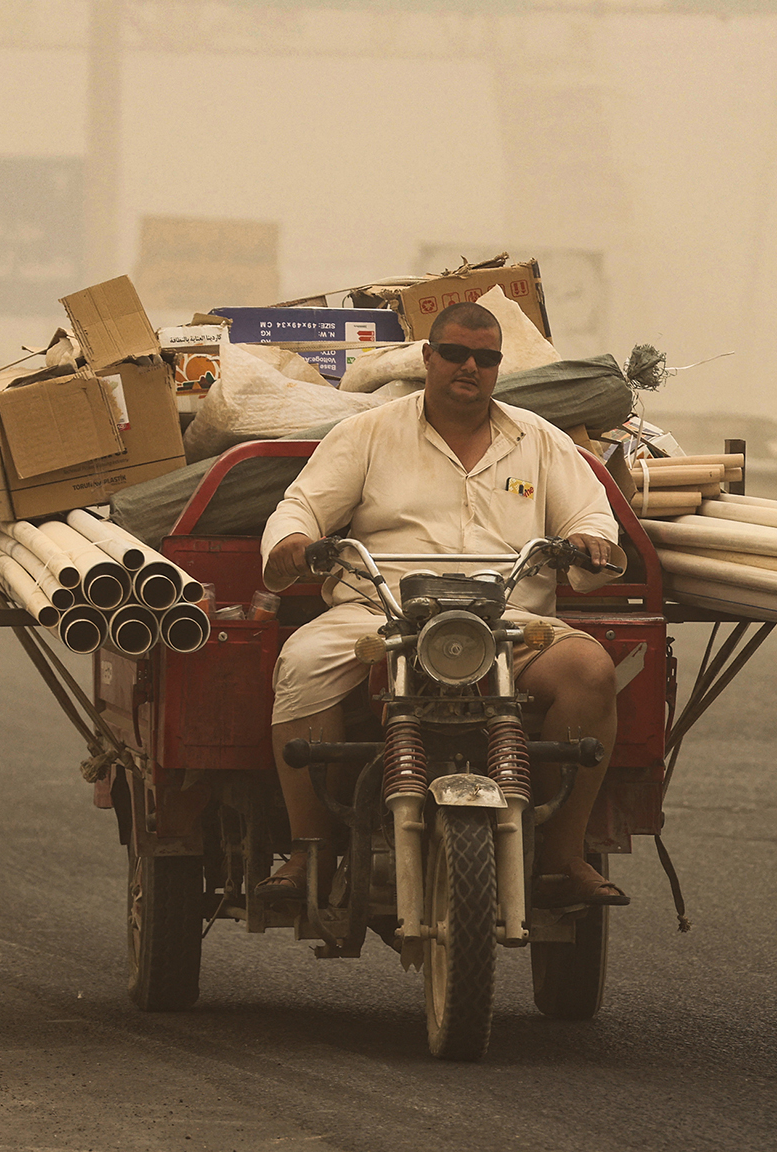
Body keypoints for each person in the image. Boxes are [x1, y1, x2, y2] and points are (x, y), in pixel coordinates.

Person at [256, 300, 631, 906]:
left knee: (590, 672)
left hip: (508, 617)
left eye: (485, 359)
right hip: (379, 610)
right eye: (455, 354)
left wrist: (592, 541)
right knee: (302, 661)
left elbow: (592, 516)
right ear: (427, 358)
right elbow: (299, 509)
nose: (469, 368)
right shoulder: (367, 432)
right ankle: (309, 851)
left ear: (499, 368)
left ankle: (564, 854)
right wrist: (295, 544)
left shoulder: (541, 440)